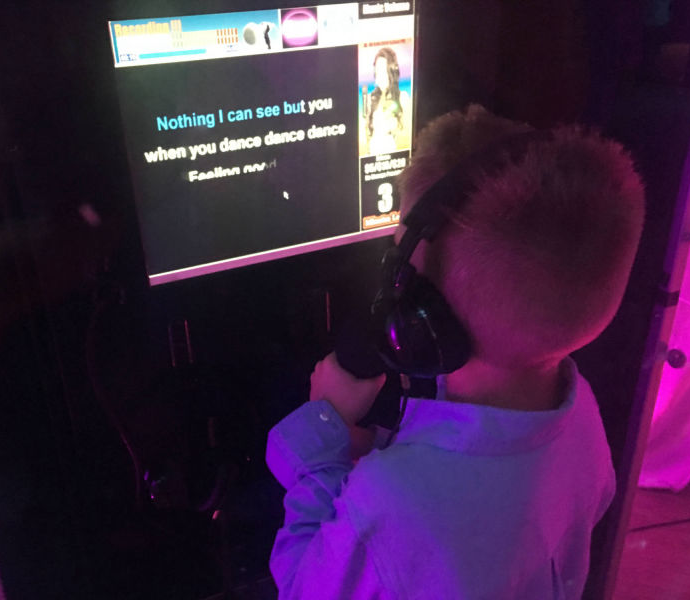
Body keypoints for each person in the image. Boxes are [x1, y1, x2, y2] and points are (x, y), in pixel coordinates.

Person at [265, 105, 645, 599]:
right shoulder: (581, 415)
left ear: (420, 312)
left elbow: (303, 587)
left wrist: (322, 442)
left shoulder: (393, 501)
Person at [365, 47, 412, 155]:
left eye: (383, 71)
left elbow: (410, 136)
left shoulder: (403, 98)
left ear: (392, 72)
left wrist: (393, 129)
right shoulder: (370, 99)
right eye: (377, 71)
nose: (379, 76)